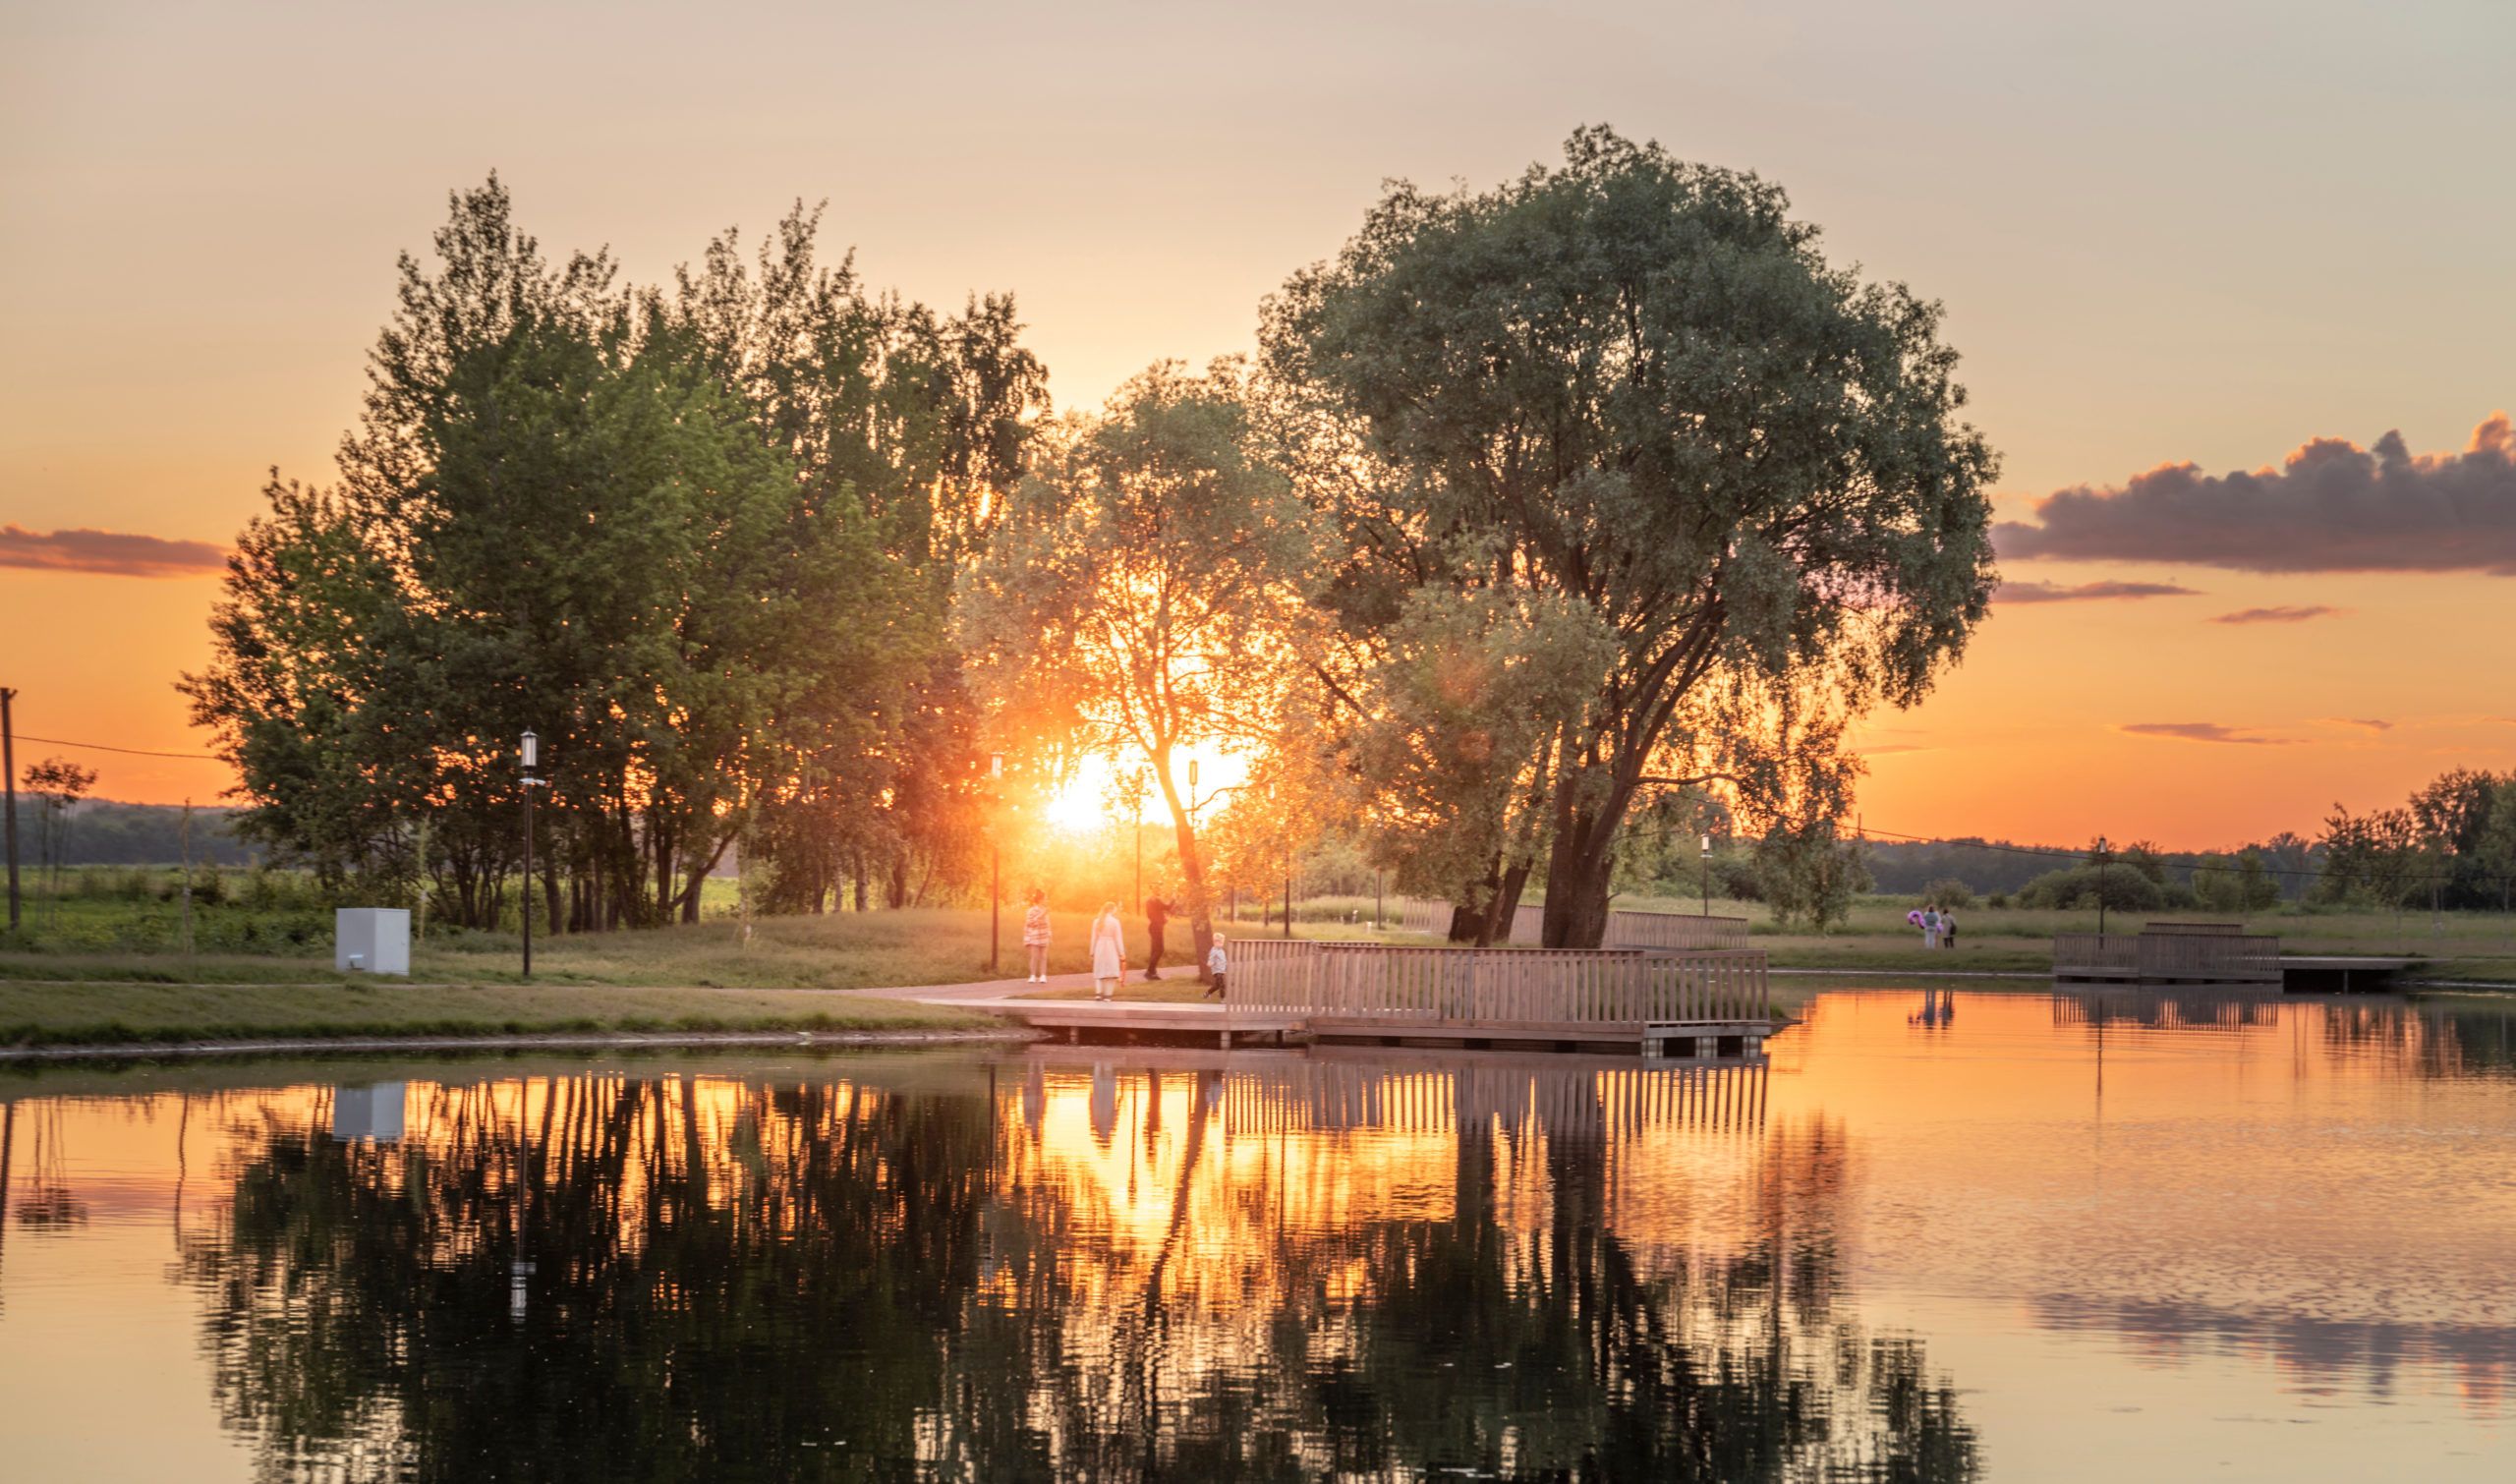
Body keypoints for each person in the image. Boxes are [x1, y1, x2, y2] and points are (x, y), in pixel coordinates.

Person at [1090, 900, 1126, 1002]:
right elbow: (1118, 938)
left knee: (1099, 970)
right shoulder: (1115, 921)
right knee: (1111, 971)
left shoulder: (1096, 921)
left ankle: (1098, 994)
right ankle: (1107, 996)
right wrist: (1121, 953)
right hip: (1111, 947)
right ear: (1112, 909)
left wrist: (1092, 951)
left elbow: (1093, 938)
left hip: (1099, 947)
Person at [1022, 887, 1051, 983]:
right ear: (1040, 899)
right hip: (1034, 935)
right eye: (1045, 898)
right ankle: (1032, 976)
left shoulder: (1045, 910)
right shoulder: (1031, 910)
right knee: (1034, 956)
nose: (1046, 900)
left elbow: (1048, 923)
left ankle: (1043, 975)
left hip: (1044, 935)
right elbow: (1030, 923)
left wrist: (1050, 935)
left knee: (1044, 956)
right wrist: (1042, 914)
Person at [1143, 892, 1170, 981]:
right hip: (1157, 928)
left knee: (1154, 950)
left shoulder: (1149, 902)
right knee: (1160, 949)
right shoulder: (1156, 901)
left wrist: (1163, 919)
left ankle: (1152, 973)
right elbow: (1167, 907)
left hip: (1153, 927)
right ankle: (1149, 971)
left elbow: (1156, 914)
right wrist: (1173, 899)